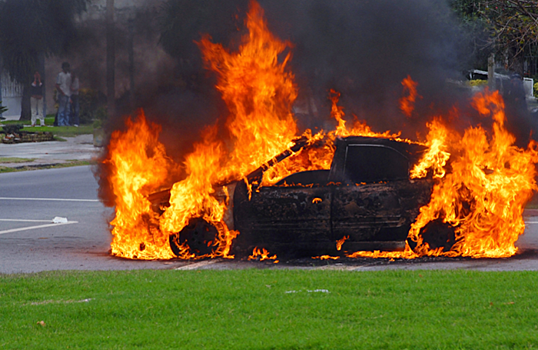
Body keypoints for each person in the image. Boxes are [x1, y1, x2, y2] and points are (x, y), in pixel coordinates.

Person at [55, 62, 72, 126]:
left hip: (68, 94)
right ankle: (61, 123)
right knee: (62, 109)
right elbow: (57, 85)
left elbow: (69, 85)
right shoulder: (60, 75)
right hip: (62, 94)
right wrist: (62, 92)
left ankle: (66, 122)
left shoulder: (69, 75)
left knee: (67, 110)